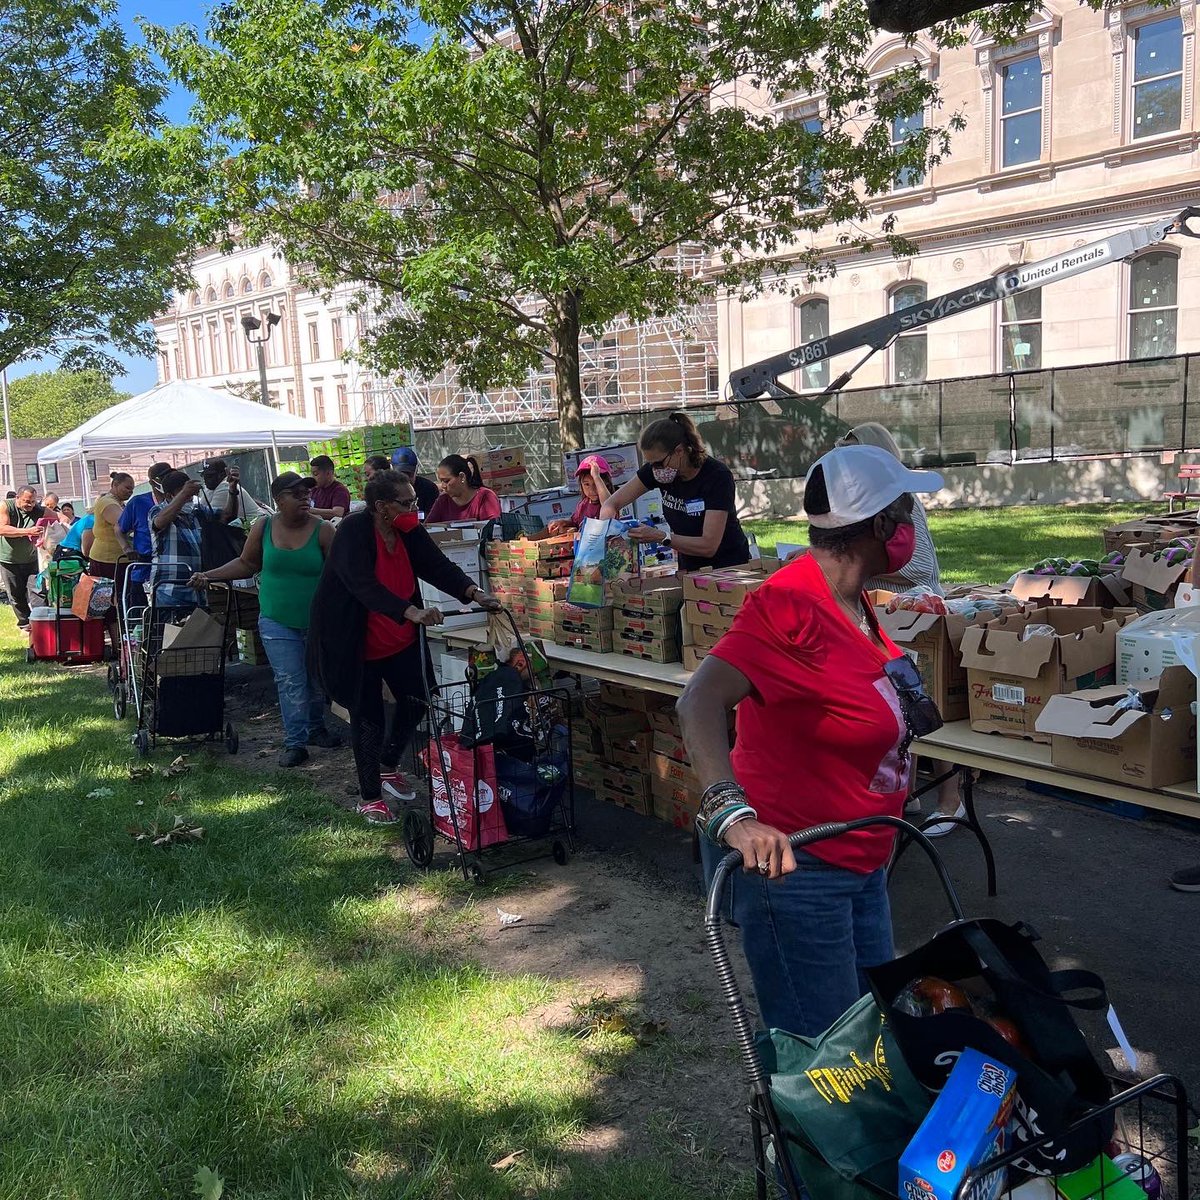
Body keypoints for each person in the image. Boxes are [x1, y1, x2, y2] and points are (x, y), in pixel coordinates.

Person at [676, 443, 944, 1038]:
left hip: (865, 861)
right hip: (801, 873)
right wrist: (731, 815)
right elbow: (697, 701)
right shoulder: (789, 605)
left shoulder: (853, 602)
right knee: (823, 1057)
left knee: (873, 1041)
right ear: (877, 524)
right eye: (904, 511)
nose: (911, 525)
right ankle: (795, 1136)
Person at [309, 469, 501, 823]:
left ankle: (387, 765)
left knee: (417, 700)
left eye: (415, 500)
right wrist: (409, 610)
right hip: (356, 638)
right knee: (368, 717)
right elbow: (360, 584)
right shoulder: (353, 530)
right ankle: (369, 797)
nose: (415, 507)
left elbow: (436, 565)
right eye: (407, 502)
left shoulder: (408, 529)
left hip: (399, 634)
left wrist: (472, 591)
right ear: (381, 506)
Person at [190, 472, 341, 768]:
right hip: (276, 619)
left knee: (314, 678)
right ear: (278, 499)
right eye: (296, 494)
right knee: (291, 680)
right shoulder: (264, 527)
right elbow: (247, 563)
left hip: (316, 621)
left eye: (306, 493)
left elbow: (339, 575)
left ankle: (316, 729)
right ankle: (295, 742)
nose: (304, 498)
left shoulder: (324, 531)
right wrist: (209, 575)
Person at [600, 412, 751, 571]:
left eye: (658, 463)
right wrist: (605, 531)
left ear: (679, 451)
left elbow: (709, 546)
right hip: (689, 567)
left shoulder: (717, 477)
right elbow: (611, 503)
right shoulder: (656, 469)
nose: (654, 470)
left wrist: (661, 537)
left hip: (728, 567)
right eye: (650, 463)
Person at [836, 423, 942, 595]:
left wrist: (851, 563)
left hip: (917, 608)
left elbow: (921, 566)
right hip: (884, 609)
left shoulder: (901, 498)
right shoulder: (865, 499)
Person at [148, 470, 238, 636]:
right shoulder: (157, 511)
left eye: (190, 495)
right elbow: (159, 522)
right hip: (169, 591)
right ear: (169, 495)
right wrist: (183, 495)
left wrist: (232, 490)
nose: (189, 498)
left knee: (198, 644)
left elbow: (227, 515)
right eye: (184, 494)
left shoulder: (197, 512)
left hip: (197, 590)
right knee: (168, 642)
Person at [0, 486, 45, 629]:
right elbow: (2, 529)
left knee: (37, 591)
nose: (30, 505)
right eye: (27, 501)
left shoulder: (37, 509)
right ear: (17, 498)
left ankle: (41, 620)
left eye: (33, 501)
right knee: (16, 594)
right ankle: (25, 624)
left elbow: (59, 518)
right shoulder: (6, 506)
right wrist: (27, 532)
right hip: (9, 560)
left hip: (32, 560)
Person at [426, 454, 502, 524]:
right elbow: (428, 528)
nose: (443, 486)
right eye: (441, 481)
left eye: (446, 481)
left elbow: (494, 531)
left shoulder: (486, 496)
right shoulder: (442, 500)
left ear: (462, 477)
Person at [548, 455, 614, 534]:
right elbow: (574, 521)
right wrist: (562, 522)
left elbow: (608, 505)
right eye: (586, 484)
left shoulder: (611, 502)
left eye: (596, 484)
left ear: (607, 484)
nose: (592, 490)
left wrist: (596, 476)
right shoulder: (583, 505)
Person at [88, 472, 135, 578]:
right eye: (127, 488)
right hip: (108, 560)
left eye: (132, 489)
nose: (130, 492)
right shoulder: (108, 503)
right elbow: (125, 524)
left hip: (119, 559)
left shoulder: (119, 503)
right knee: (111, 593)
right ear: (115, 485)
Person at [199, 458, 264, 523]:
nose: (205, 479)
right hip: (249, 525)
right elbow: (200, 510)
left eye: (209, 476)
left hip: (260, 525)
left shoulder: (225, 486)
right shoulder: (211, 487)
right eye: (203, 475)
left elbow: (211, 518)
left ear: (221, 474)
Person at [390, 447, 440, 516]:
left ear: (416, 470)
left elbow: (434, 516)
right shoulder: (386, 491)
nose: (405, 479)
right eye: (400, 475)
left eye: (409, 474)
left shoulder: (429, 488)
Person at [307, 455, 352, 521]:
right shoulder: (314, 490)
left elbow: (338, 513)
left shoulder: (340, 490)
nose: (313, 477)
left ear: (328, 473)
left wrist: (310, 510)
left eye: (316, 474)